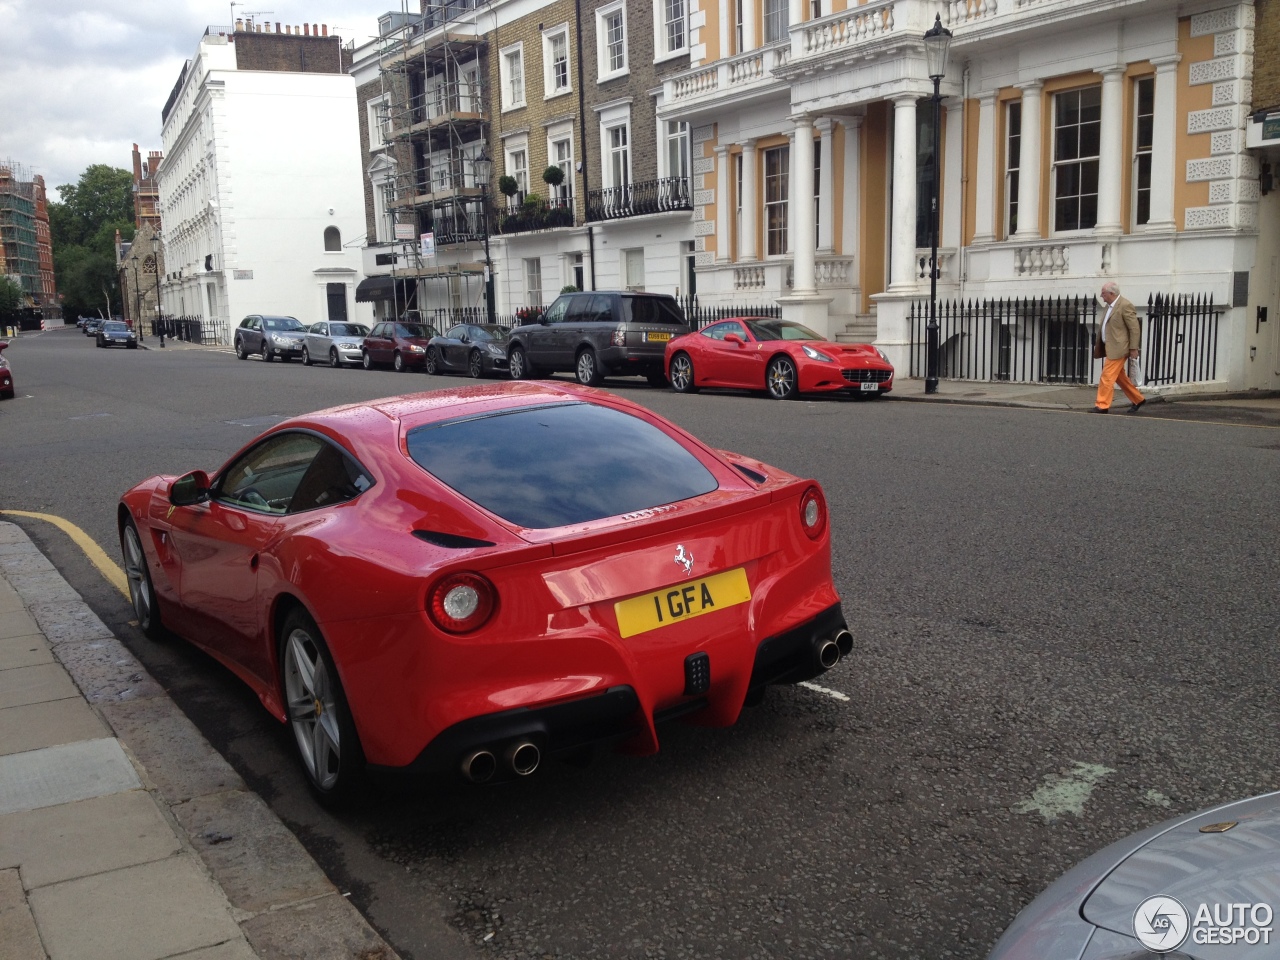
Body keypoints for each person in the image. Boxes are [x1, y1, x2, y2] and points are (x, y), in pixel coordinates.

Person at [1094, 281, 1145, 414]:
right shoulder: (1109, 306)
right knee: (1119, 377)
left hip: (1120, 348)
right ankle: (1138, 399)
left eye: (1103, 293)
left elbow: (1134, 328)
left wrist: (1134, 348)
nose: (1101, 296)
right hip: (1110, 347)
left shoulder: (1125, 305)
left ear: (1112, 293)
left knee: (1107, 376)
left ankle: (1102, 404)